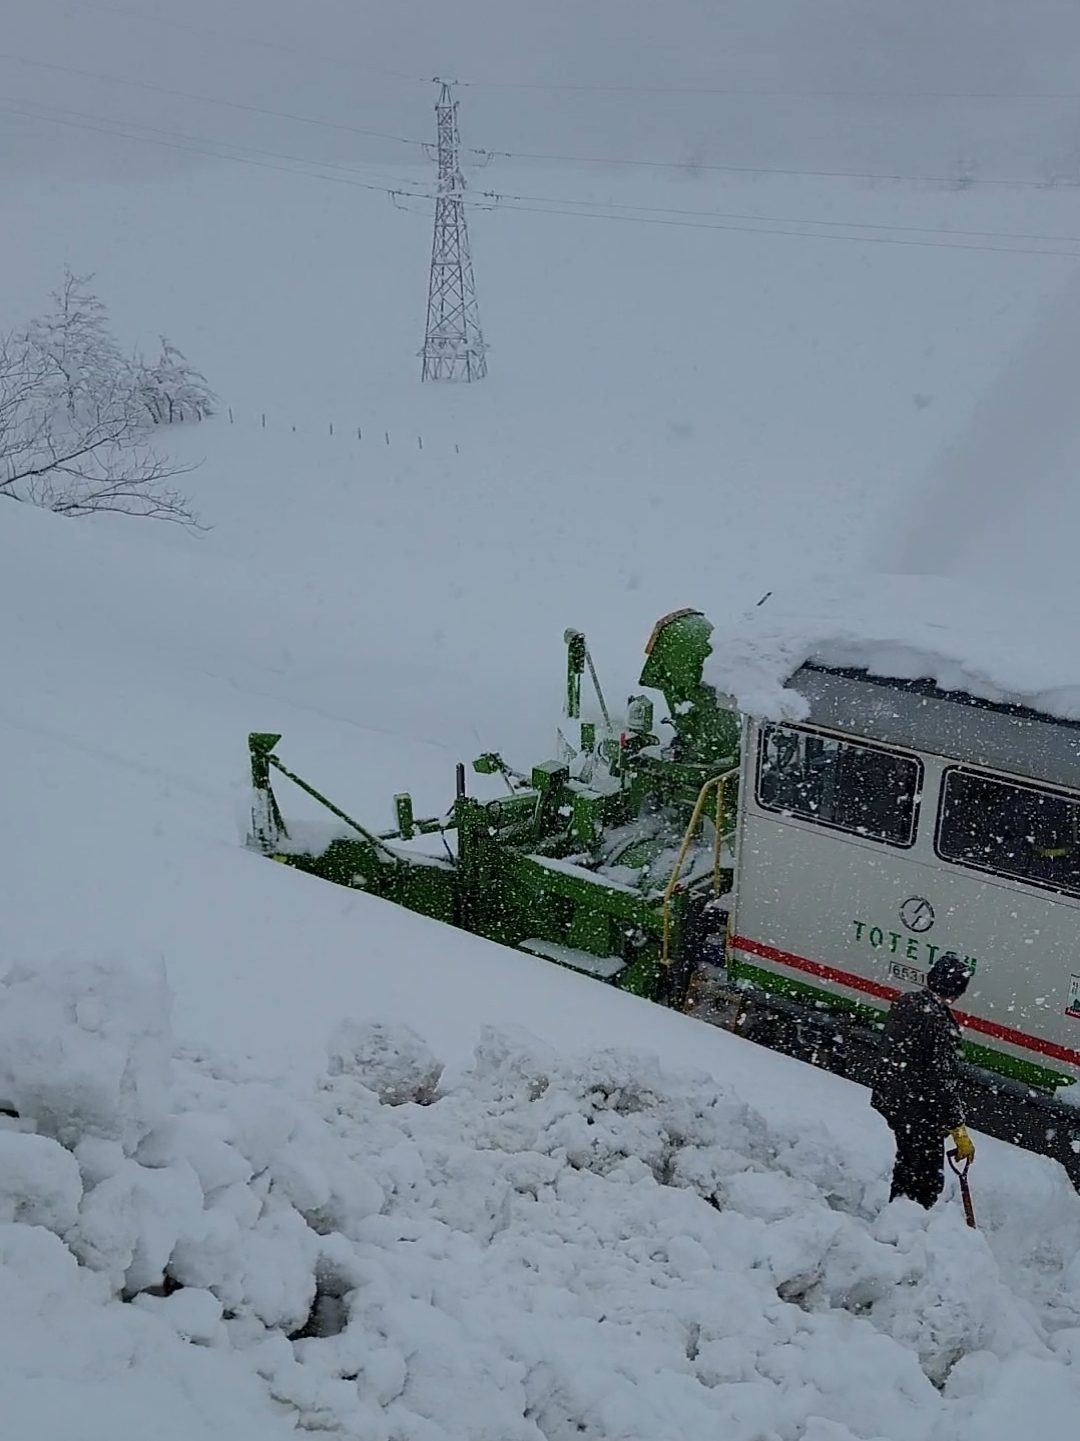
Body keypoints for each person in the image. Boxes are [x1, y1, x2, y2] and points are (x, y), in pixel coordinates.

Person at [870, 952, 976, 1208]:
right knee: (926, 1180)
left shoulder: (907, 1004)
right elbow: (941, 1081)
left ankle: (897, 1213)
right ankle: (909, 1221)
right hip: (921, 1113)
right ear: (956, 991)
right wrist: (958, 1128)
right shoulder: (938, 1022)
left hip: (896, 1103)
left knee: (906, 1167)